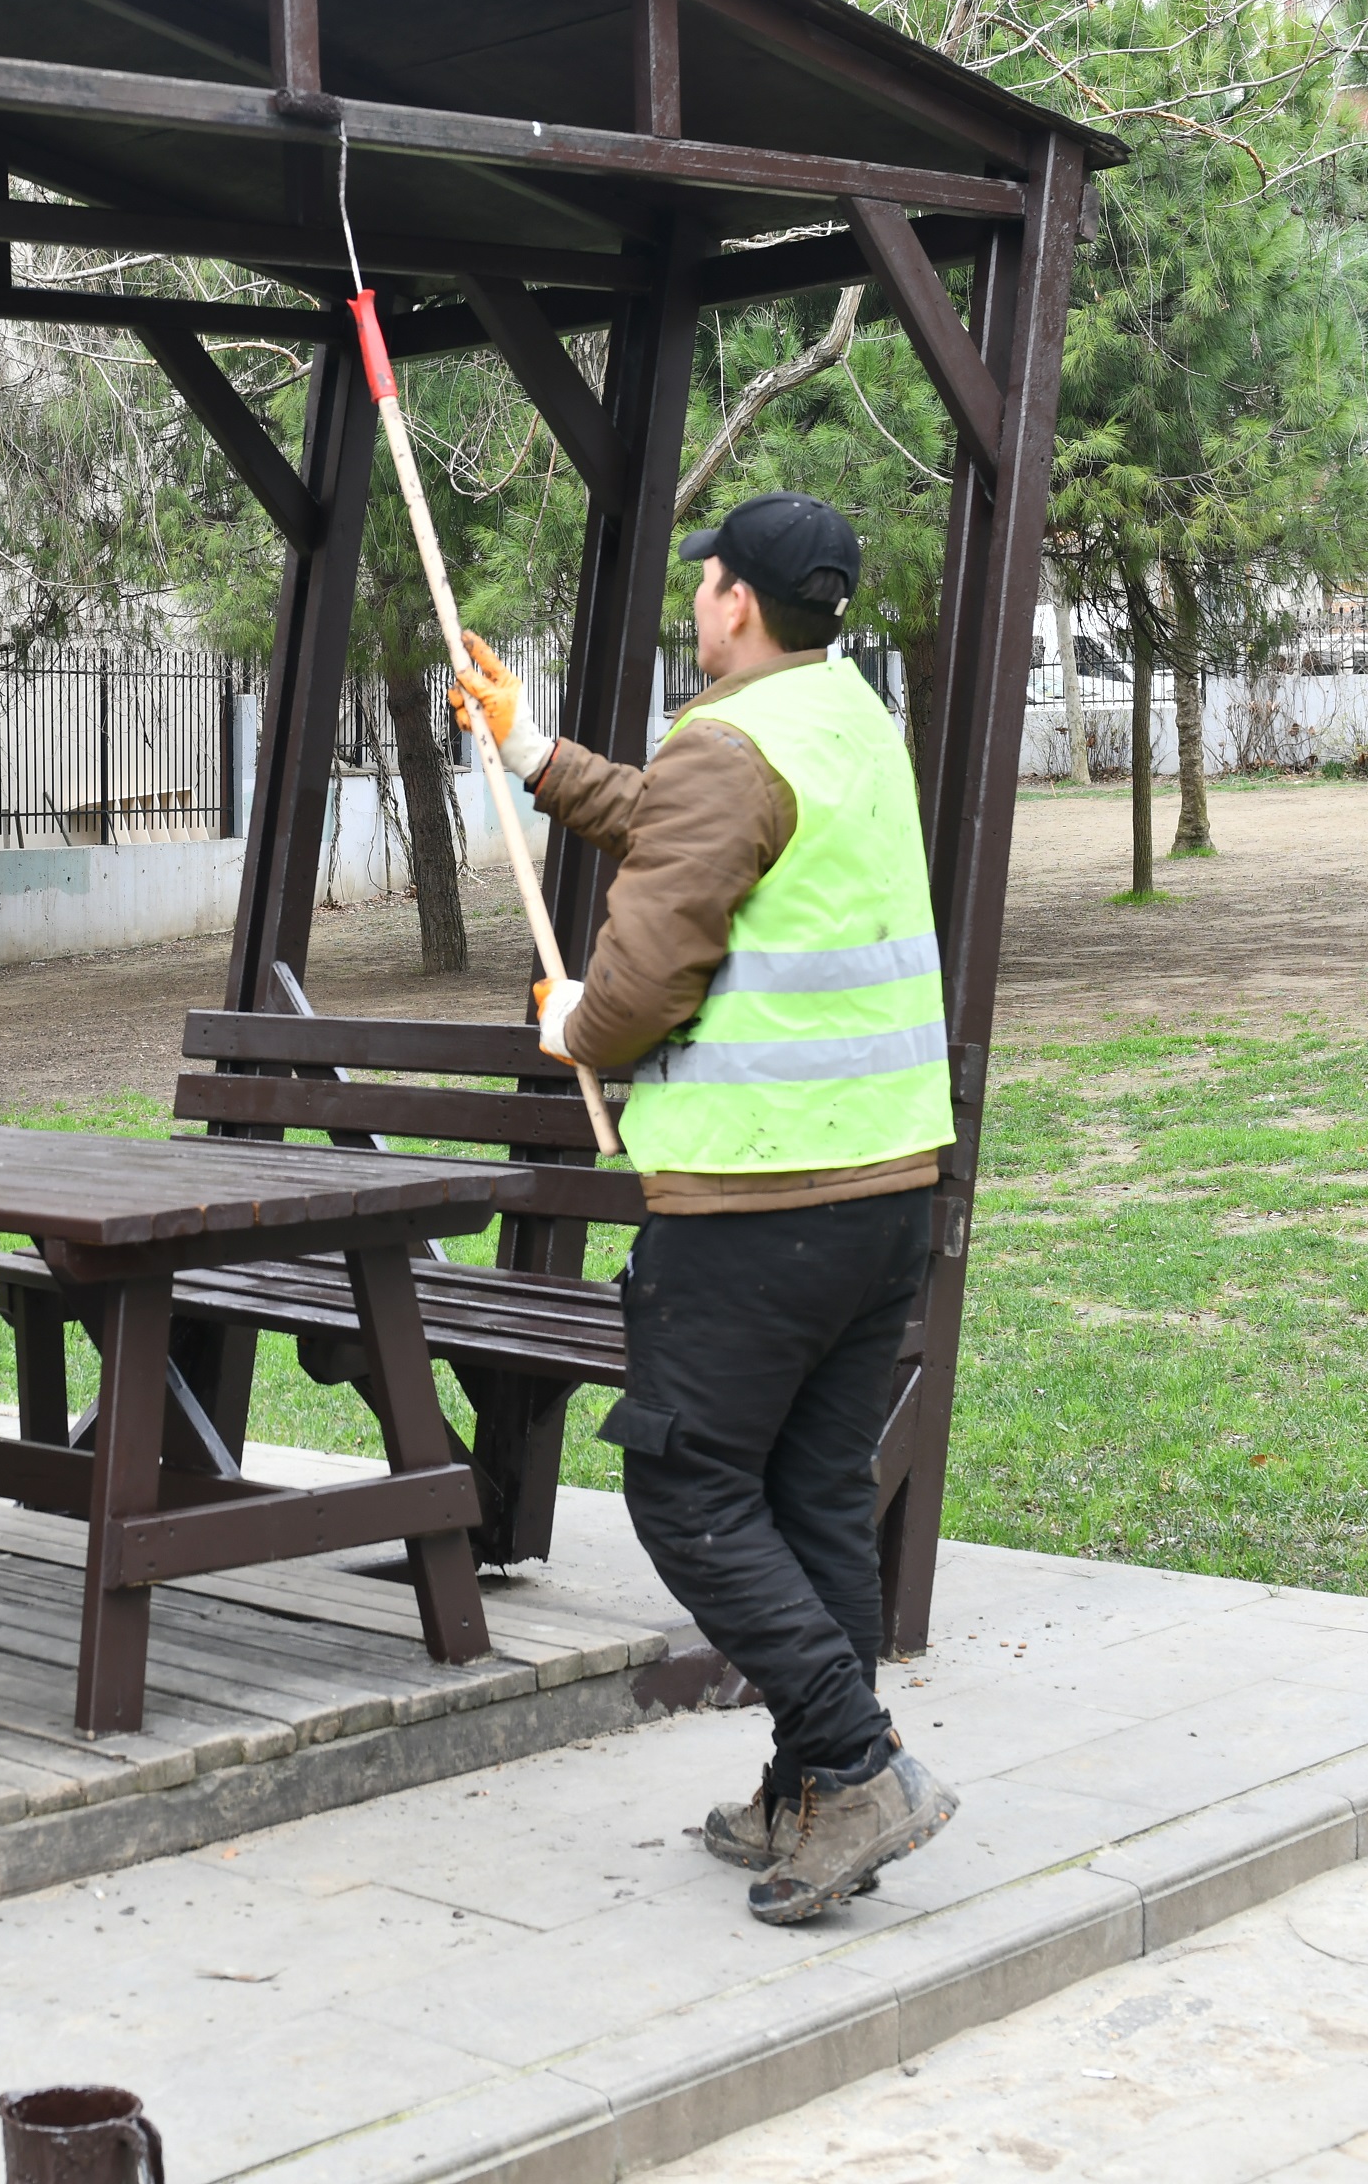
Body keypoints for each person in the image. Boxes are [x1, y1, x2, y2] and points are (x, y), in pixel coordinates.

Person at [451, 492, 961, 1926]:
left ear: (735, 601)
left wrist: (574, 1026)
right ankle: (816, 1797)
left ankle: (857, 1768)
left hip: (755, 1194)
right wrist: (529, 749)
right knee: (806, 1495)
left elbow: (647, 979)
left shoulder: (730, 747)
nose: (697, 601)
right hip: (881, 1191)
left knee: (683, 1485)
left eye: (706, 583)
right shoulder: (845, 720)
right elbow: (688, 823)